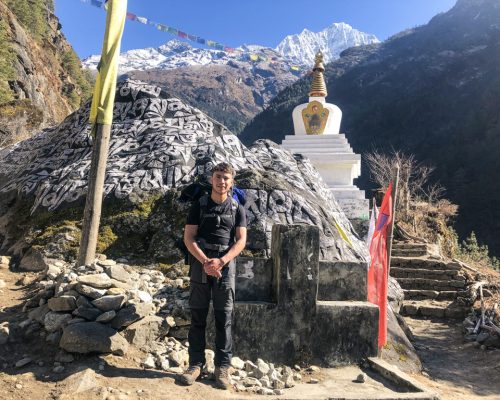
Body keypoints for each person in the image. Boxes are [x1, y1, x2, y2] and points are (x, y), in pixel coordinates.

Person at [179, 162, 247, 390]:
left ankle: (222, 367)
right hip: (201, 265)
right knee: (197, 317)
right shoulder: (199, 205)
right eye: (218, 177)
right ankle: (195, 364)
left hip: (225, 268)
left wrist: (221, 260)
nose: (222, 181)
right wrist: (206, 261)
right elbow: (189, 237)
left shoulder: (238, 208)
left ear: (232, 181)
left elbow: (241, 240)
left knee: (223, 319)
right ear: (211, 179)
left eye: (226, 178)